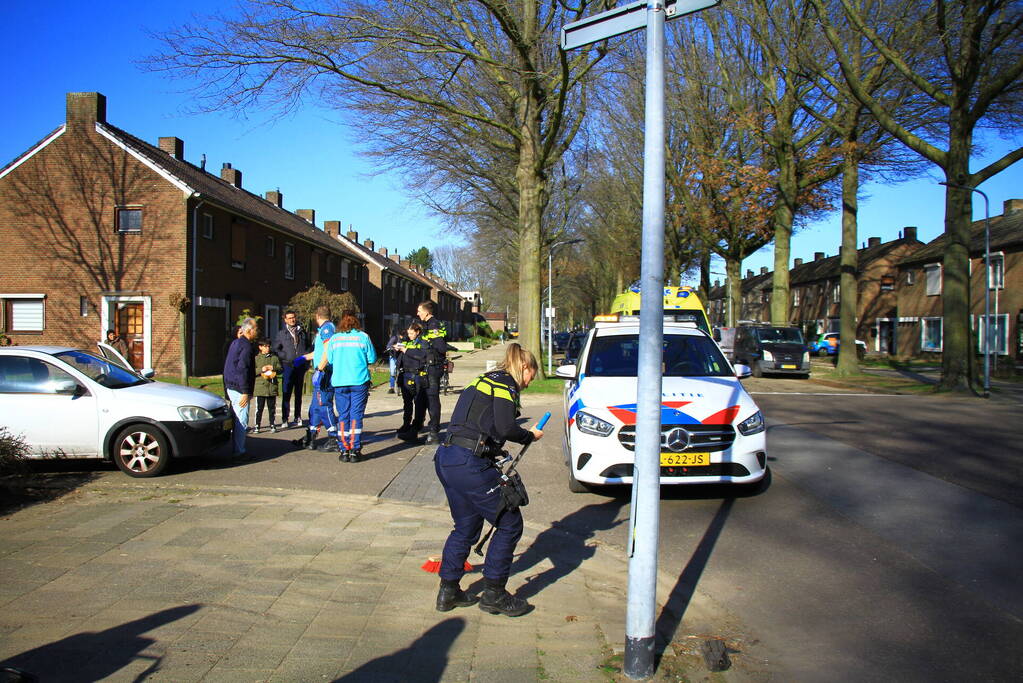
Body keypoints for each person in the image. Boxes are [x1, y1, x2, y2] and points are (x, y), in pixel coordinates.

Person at [433, 343, 543, 617]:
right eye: (531, 376)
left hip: (447, 457)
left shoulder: (482, 379)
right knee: (510, 523)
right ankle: (494, 594)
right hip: (469, 463)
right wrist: (529, 436)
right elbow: (506, 427)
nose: (529, 383)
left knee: (466, 527)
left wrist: (495, 450)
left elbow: (483, 423)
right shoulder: (505, 384)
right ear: (524, 368)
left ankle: (448, 591)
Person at [320, 311, 376, 462]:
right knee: (356, 415)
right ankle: (355, 450)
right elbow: (372, 358)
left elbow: (330, 360)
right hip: (359, 381)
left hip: (340, 382)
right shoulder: (363, 337)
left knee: (343, 415)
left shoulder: (335, 339)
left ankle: (344, 449)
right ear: (356, 322)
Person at [292, 307, 338, 450]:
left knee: (324, 405)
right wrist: (303, 358)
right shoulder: (323, 330)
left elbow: (328, 350)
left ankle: (333, 438)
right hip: (321, 372)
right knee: (315, 408)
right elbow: (319, 352)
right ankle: (310, 437)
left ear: (317, 316)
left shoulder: (326, 329)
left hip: (325, 373)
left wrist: (320, 368)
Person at [224, 317, 258, 460]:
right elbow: (242, 368)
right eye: (256, 329)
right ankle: (239, 452)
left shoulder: (236, 343)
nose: (257, 331)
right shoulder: (246, 346)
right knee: (241, 420)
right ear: (249, 330)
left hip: (231, 385)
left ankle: (237, 448)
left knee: (237, 418)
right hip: (238, 387)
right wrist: (245, 391)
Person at [417, 300, 448, 444]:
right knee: (423, 397)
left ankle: (434, 431)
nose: (418, 313)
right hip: (427, 367)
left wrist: (431, 353)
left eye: (419, 311)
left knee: (432, 398)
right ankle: (420, 426)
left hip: (433, 367)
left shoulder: (433, 326)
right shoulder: (427, 325)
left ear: (427, 312)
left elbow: (441, 347)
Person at [273, 310, 311, 428]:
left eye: (293, 317)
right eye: (289, 318)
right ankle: (285, 418)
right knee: (286, 392)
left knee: (298, 392)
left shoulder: (302, 332)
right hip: (288, 366)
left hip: (300, 366)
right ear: (285, 320)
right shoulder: (281, 334)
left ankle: (297, 416)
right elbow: (275, 349)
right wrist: (285, 356)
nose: (292, 320)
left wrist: (305, 359)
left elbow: (309, 347)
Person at [395, 322, 428, 441]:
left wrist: (406, 350)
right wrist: (396, 349)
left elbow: (423, 356)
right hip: (405, 374)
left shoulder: (422, 342)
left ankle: (417, 426)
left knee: (419, 403)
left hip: (417, 375)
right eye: (408, 333)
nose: (409, 335)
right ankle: (406, 424)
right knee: (407, 402)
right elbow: (399, 356)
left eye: (412, 333)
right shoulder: (406, 341)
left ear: (418, 332)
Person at [252, 338, 282, 434]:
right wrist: (261, 369)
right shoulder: (256, 358)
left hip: (271, 387)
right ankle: (257, 425)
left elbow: (281, 369)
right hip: (260, 387)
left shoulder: (274, 357)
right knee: (259, 408)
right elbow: (252, 371)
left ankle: (272, 424)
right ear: (260, 347)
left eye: (269, 346)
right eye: (265, 346)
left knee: (272, 408)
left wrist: (273, 368)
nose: (267, 348)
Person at [385, 325, 402, 395]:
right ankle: (391, 388)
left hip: (401, 357)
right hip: (393, 357)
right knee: (392, 373)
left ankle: (401, 387)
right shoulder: (394, 338)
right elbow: (388, 346)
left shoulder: (406, 339)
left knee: (401, 372)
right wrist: (393, 347)